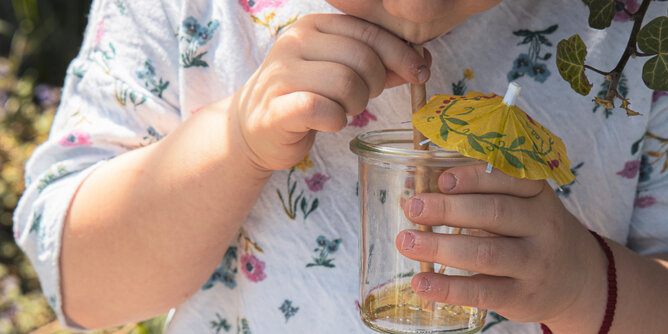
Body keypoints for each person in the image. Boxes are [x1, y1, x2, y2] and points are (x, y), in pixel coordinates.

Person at [13, 0, 668, 333]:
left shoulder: (634, 37)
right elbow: (79, 278)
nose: (416, 9)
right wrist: (233, 140)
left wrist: (587, 283)